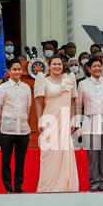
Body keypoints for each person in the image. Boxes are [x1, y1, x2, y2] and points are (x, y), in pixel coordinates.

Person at [34, 55, 79, 192]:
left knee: (64, 153)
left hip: (65, 122)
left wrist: (73, 118)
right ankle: (48, 188)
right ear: (49, 65)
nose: (57, 66)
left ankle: (66, 187)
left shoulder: (70, 79)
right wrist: (40, 120)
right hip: (50, 121)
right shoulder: (43, 79)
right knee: (49, 155)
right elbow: (38, 101)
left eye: (59, 64)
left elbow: (72, 101)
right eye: (54, 64)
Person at [76, 57, 103, 192]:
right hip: (89, 122)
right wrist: (78, 124)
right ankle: (94, 185)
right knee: (92, 157)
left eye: (99, 66)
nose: (97, 68)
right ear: (88, 68)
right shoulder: (83, 84)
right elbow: (78, 105)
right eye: (94, 66)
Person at [0, 59, 31, 194]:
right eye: (14, 69)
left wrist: (23, 120)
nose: (17, 72)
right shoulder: (3, 88)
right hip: (7, 129)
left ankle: (18, 186)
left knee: (20, 161)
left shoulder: (26, 88)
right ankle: (8, 187)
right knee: (6, 161)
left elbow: (28, 107)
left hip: (23, 129)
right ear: (8, 71)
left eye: (19, 69)